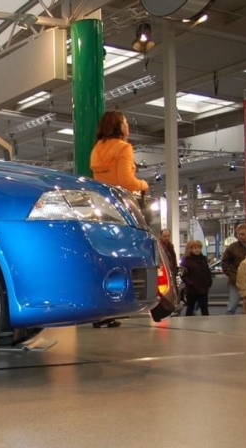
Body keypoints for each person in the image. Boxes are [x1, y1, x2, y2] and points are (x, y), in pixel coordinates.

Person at [89, 110, 149, 328]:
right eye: (124, 122)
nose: (127, 125)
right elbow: (126, 181)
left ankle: (100, 311)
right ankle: (117, 306)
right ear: (118, 126)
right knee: (125, 259)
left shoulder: (97, 149)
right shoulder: (124, 148)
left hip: (103, 208)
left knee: (104, 259)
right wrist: (144, 184)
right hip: (122, 209)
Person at [220, 224, 246, 314]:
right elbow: (224, 263)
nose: (240, 236)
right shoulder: (232, 247)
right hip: (236, 281)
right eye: (238, 234)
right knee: (232, 306)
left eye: (242, 234)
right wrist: (232, 275)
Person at [180, 239, 212, 316]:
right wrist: (190, 283)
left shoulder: (203, 259)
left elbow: (207, 271)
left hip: (203, 288)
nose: (197, 250)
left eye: (199, 248)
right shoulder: (186, 260)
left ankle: (206, 322)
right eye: (195, 248)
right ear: (191, 249)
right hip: (192, 289)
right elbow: (183, 275)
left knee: (204, 308)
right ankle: (188, 321)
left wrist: (209, 281)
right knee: (190, 308)